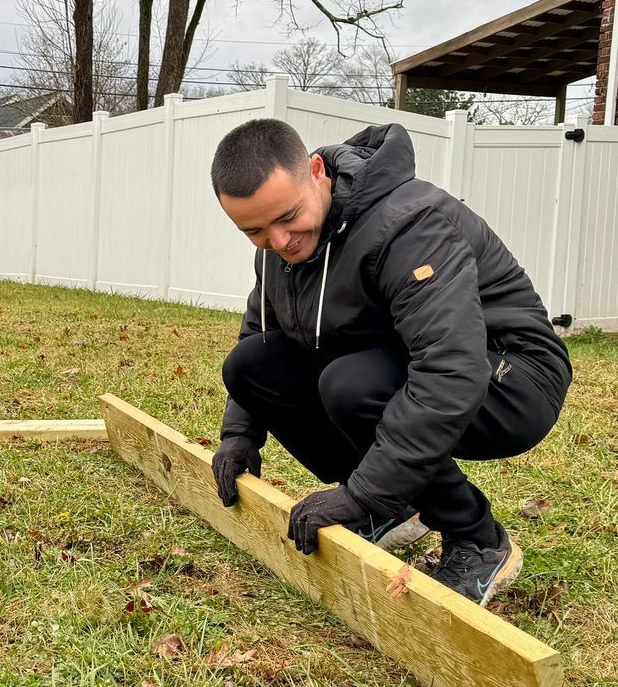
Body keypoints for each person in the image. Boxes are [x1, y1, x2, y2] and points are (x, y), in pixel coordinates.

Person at [207, 118, 571, 606]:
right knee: (252, 364)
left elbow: (451, 370)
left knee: (351, 385)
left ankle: (479, 541)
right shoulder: (281, 246)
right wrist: (239, 436)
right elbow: (262, 332)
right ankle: (394, 511)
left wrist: (361, 494)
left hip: (513, 375)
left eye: (288, 217)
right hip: (409, 361)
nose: (279, 242)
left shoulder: (409, 224)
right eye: (254, 230)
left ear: (317, 171)